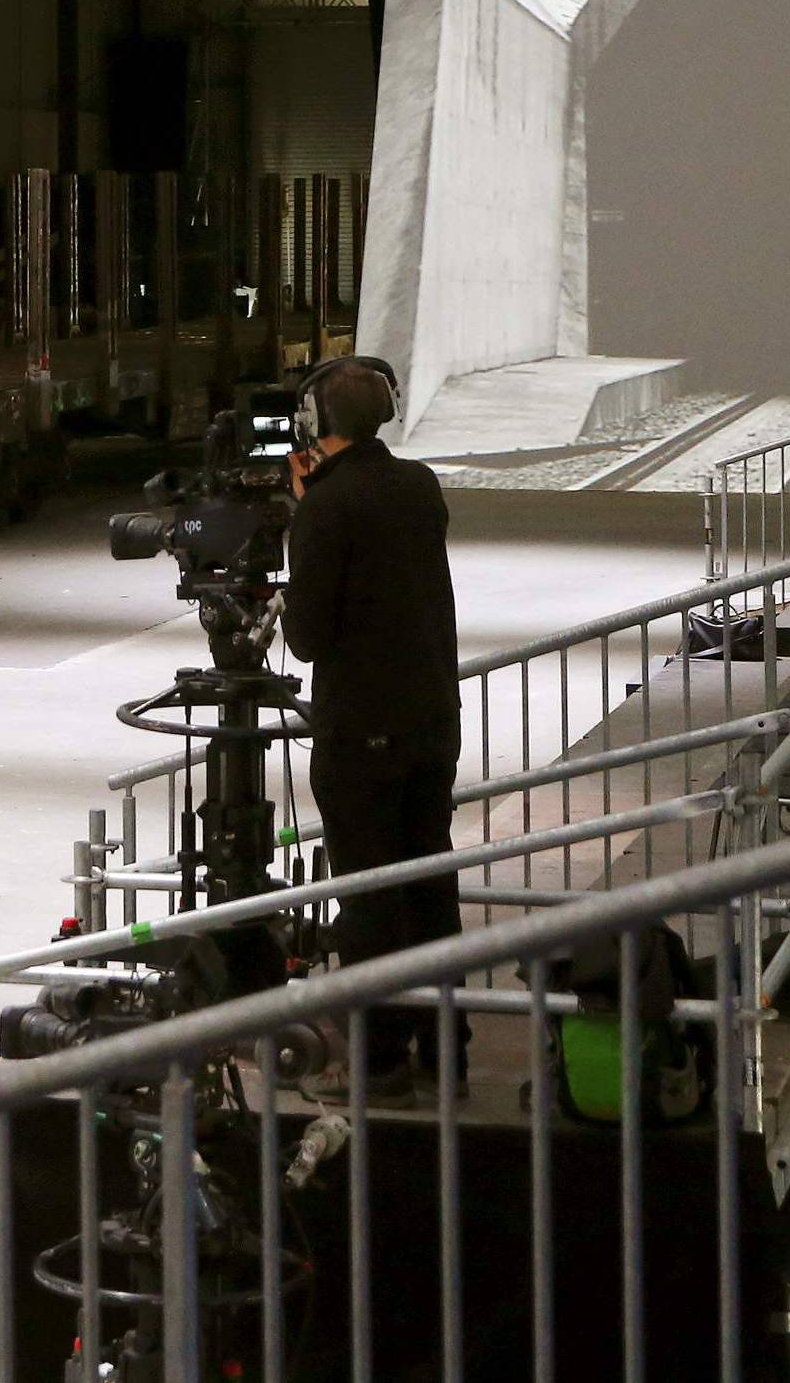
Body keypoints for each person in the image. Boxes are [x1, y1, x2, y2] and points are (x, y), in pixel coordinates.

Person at [283, 359, 463, 1107]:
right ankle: (446, 1046)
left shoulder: (325, 505)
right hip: (431, 716)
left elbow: (307, 637)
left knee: (368, 898)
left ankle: (379, 1059)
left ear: (318, 420)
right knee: (429, 880)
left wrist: (304, 517)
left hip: (362, 727)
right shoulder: (419, 484)